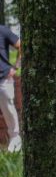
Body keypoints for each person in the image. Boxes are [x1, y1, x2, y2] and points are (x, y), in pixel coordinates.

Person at [0, 24, 20, 153]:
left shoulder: (2, 30)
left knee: (9, 110)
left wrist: (16, 67)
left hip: (3, 79)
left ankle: (15, 139)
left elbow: (20, 45)